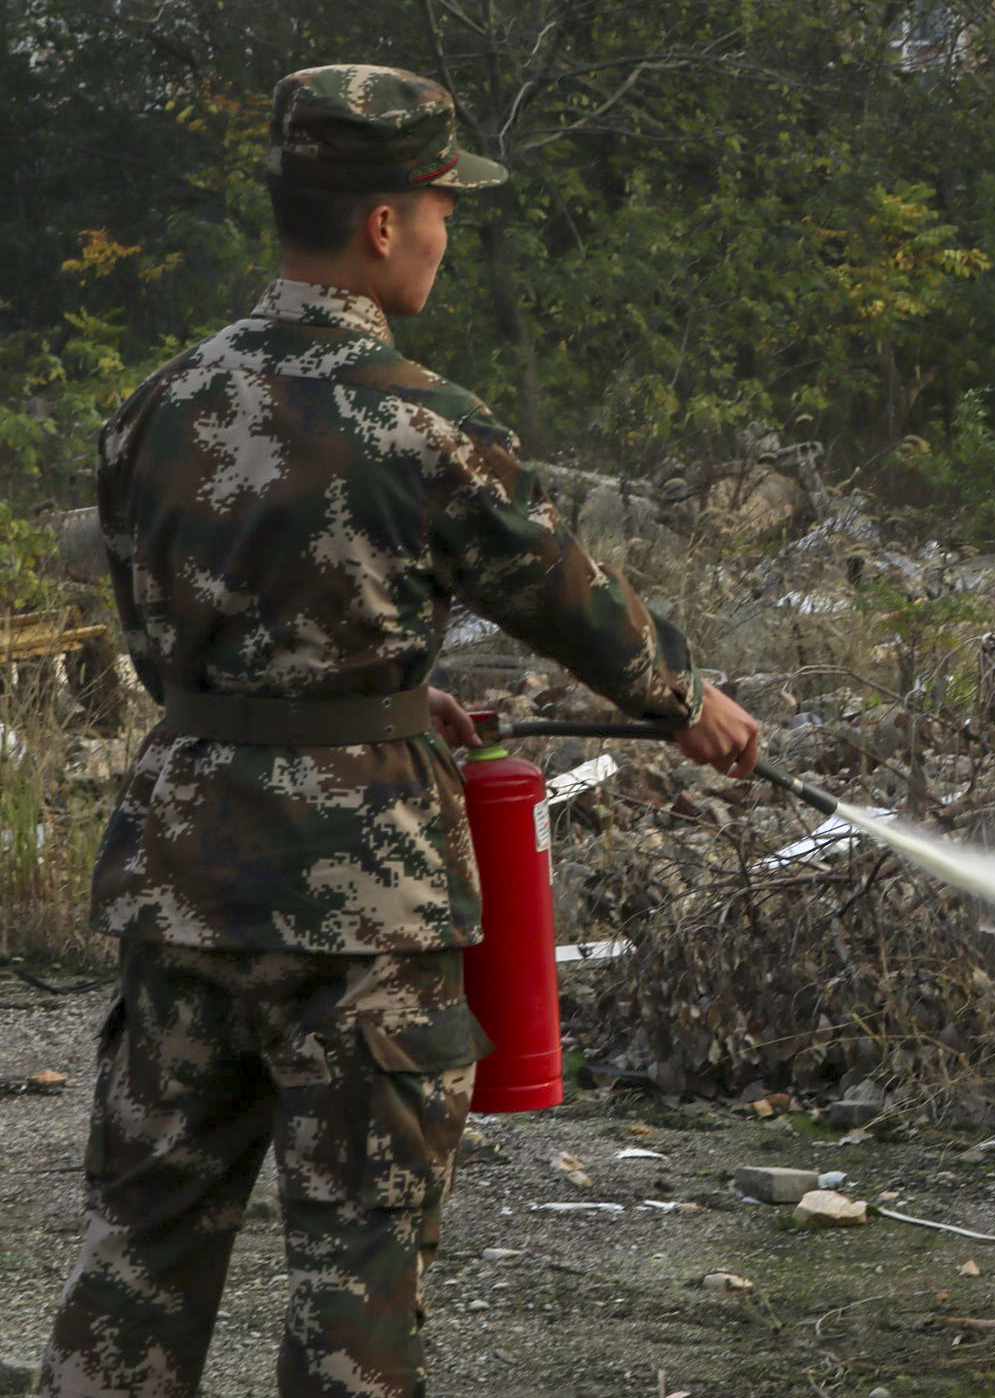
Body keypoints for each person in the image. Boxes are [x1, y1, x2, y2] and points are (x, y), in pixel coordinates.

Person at [36, 64, 759, 1398]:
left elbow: (171, 649)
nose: (443, 234)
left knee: (138, 1251)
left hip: (180, 880)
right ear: (382, 224)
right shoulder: (429, 420)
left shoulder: (152, 408)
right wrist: (687, 702)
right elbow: (566, 597)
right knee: (356, 1273)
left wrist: (372, 690)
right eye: (438, 208)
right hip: (360, 908)